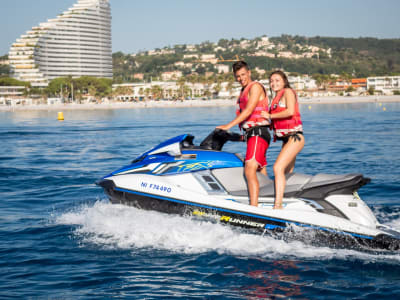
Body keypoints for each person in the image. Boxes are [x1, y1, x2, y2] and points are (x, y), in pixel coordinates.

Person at [216, 61, 271, 207]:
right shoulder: (243, 91)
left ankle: (254, 208)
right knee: (260, 170)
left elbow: (249, 110)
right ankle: (269, 200)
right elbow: (246, 121)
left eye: (243, 75)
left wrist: (228, 125)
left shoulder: (256, 87)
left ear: (249, 73)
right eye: (237, 76)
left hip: (258, 133)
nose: (241, 78)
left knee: (249, 169)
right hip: (252, 134)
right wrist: (232, 136)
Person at [261, 70, 304, 209]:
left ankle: (277, 205)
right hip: (287, 140)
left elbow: (290, 111)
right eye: (271, 81)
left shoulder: (288, 92)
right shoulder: (276, 98)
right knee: (286, 173)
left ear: (284, 81)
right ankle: (287, 201)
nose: (273, 83)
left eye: (277, 80)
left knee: (277, 168)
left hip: (295, 137)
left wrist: (269, 116)